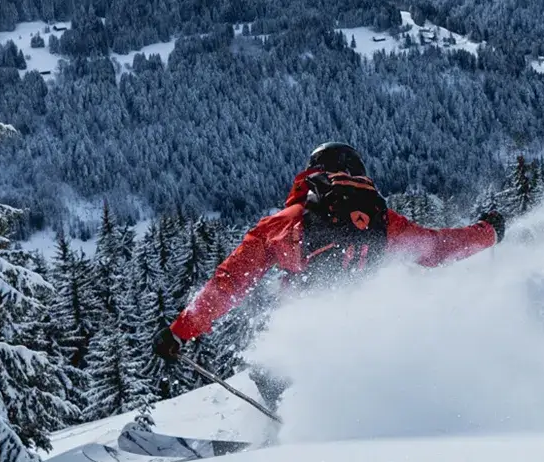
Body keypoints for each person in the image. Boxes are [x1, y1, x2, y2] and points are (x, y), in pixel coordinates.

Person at [153, 141, 505, 367]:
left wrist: (181, 330)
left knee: (270, 364)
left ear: (311, 175)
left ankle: (288, 438)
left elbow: (230, 282)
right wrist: (488, 232)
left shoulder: (284, 223)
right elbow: (437, 249)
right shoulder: (383, 221)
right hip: (370, 340)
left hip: (305, 343)